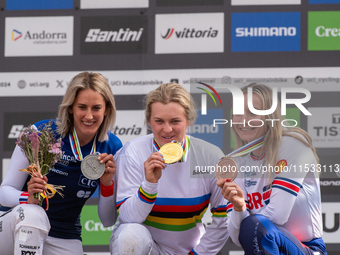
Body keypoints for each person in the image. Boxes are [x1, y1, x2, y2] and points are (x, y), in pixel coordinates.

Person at [0, 72, 122, 255]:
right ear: (71, 107)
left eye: (96, 108)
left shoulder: (111, 147)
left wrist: (107, 184)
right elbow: (4, 192)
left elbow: (107, 221)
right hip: (15, 225)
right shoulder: (39, 133)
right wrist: (27, 198)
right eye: (82, 107)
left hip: (63, 234)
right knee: (34, 214)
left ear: (107, 110)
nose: (89, 116)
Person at [109, 83, 229, 254]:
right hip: (149, 248)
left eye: (175, 121)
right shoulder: (133, 152)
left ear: (189, 120)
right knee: (130, 235)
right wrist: (149, 184)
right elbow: (128, 219)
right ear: (149, 121)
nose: (167, 129)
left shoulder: (211, 156)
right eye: (159, 121)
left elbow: (223, 217)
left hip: (190, 250)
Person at [217, 83, 326, 255]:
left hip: (308, 249)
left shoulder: (292, 145)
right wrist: (239, 209)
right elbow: (237, 238)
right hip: (264, 247)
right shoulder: (235, 161)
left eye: (252, 112)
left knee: (255, 225)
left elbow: (277, 216)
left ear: (270, 116)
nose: (243, 119)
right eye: (238, 112)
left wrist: (246, 220)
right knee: (253, 227)